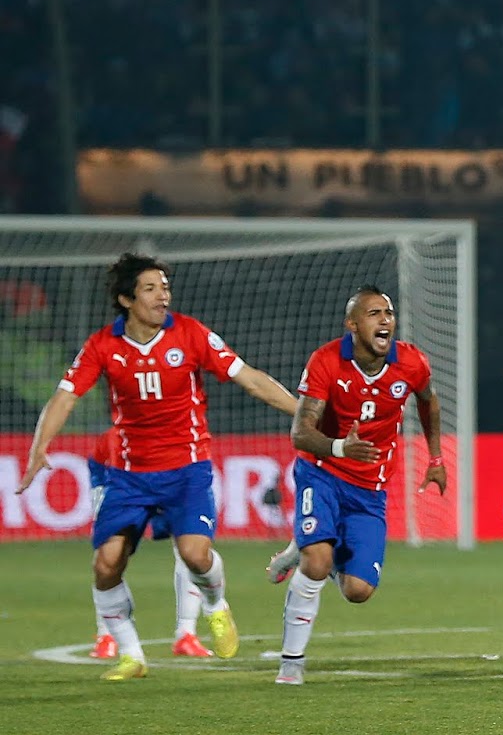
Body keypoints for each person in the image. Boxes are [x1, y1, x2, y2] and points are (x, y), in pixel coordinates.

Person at [15, 253, 298, 681]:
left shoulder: (190, 333)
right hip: (129, 476)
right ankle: (131, 655)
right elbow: (65, 397)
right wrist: (40, 447)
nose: (162, 294)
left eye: (164, 286)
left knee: (195, 555)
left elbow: (251, 378)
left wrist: (303, 413)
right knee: (106, 564)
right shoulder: (103, 346)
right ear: (127, 299)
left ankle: (216, 606)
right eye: (150, 288)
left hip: (187, 469)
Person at [267, 285, 445, 685]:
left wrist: (435, 458)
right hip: (322, 471)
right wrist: (339, 448)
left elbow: (429, 402)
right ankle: (291, 663)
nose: (385, 320)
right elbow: (300, 432)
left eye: (389, 312)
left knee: (359, 590)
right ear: (352, 324)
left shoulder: (412, 362)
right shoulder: (326, 361)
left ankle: (311, 543)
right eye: (374, 313)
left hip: (370, 488)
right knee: (318, 562)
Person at [87, 428, 211, 660]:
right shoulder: (114, 439)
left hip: (170, 473)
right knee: (110, 555)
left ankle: (186, 633)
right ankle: (106, 635)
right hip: (115, 477)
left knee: (189, 547)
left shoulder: (177, 436)